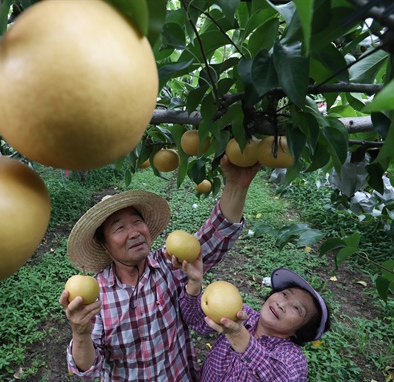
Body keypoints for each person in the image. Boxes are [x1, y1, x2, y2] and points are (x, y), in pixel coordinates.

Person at [59, 155, 261, 381]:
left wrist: (237, 185)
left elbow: (216, 234)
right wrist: (80, 333)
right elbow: (88, 368)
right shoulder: (97, 295)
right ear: (105, 246)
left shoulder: (169, 265)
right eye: (119, 228)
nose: (134, 232)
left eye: (137, 222)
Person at [177, 257, 331, 382]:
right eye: (284, 294)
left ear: (302, 330)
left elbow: (276, 376)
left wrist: (238, 335)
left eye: (297, 308)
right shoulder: (242, 314)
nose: (282, 304)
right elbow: (196, 321)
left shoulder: (293, 359)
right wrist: (194, 284)